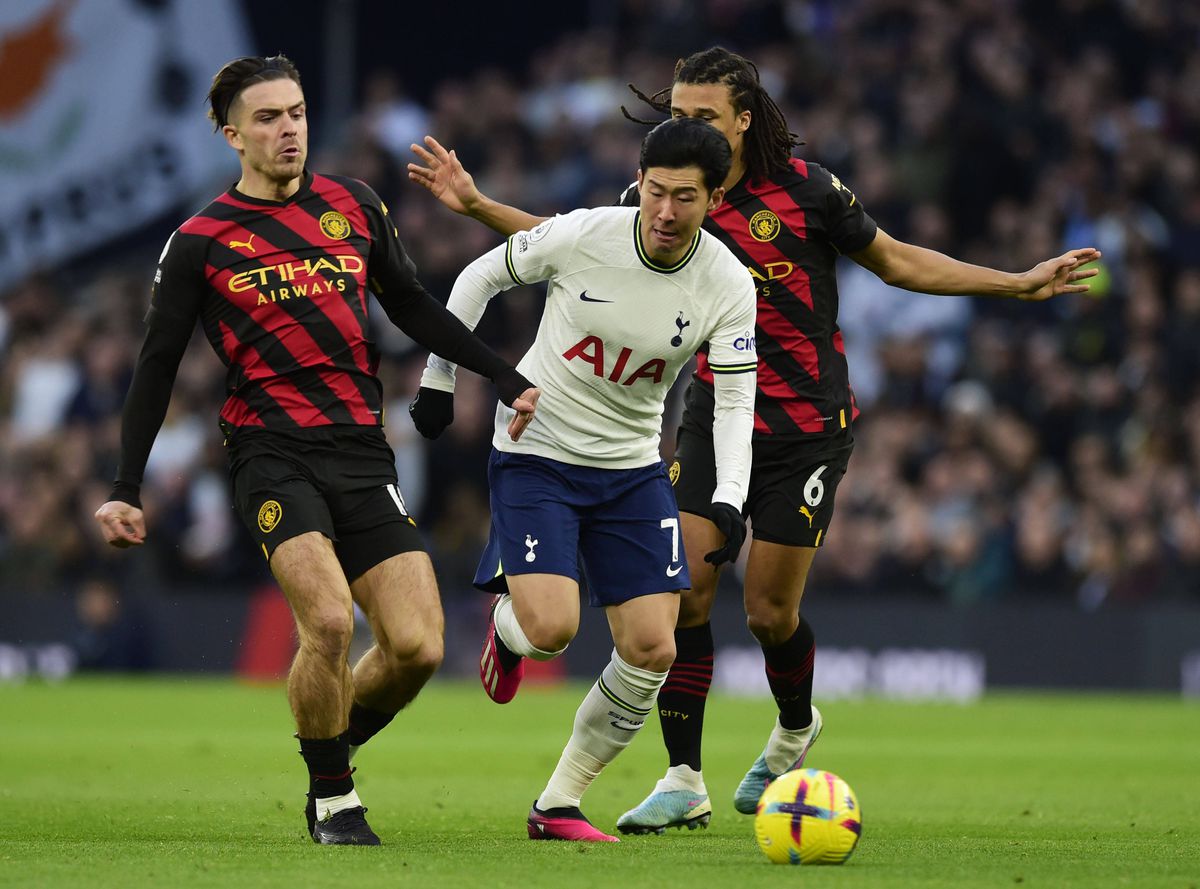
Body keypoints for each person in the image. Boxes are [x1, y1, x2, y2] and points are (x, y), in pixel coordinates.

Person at [407, 46, 1101, 835]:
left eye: (703, 115)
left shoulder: (806, 192)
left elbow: (898, 262)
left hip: (806, 427)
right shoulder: (662, 191)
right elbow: (576, 243)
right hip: (713, 415)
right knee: (688, 595)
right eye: (677, 113)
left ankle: (795, 726)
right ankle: (682, 775)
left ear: (743, 118)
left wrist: (1013, 281)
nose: (685, 127)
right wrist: (478, 206)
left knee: (771, 611)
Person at [93, 55, 539, 846]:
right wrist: (126, 485)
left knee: (418, 647)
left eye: (295, 112)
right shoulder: (200, 241)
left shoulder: (354, 205)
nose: (288, 128)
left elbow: (411, 306)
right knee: (329, 623)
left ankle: (326, 752)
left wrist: (504, 376)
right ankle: (334, 797)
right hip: (271, 453)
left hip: (364, 452)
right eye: (267, 118)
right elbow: (155, 366)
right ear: (232, 135)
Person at [407, 116, 757, 842]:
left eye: (685, 198)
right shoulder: (588, 233)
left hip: (631, 469)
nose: (665, 212)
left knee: (656, 646)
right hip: (539, 451)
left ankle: (558, 802)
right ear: (640, 180)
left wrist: (729, 497)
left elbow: (733, 396)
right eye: (655, 191)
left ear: (714, 199)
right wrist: (440, 378)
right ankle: (507, 630)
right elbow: (480, 274)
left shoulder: (726, 281)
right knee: (552, 628)